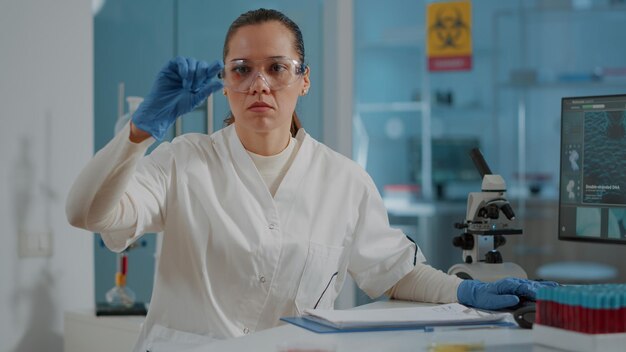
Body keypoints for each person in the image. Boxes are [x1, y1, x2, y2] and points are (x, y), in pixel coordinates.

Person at [66, 8, 557, 351]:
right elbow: (86, 212)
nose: (260, 83)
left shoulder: (343, 180)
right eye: (243, 70)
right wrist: (138, 132)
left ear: (304, 79)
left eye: (277, 68)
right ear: (225, 81)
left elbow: (395, 273)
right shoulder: (182, 160)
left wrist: (463, 290)